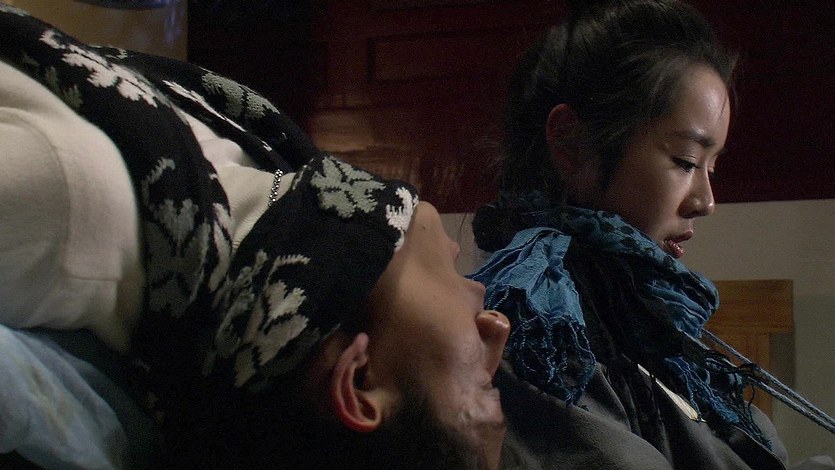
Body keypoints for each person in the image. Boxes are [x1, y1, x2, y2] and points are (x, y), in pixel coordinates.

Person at [0, 4, 508, 469]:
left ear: (359, 379)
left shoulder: (69, 208)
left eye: (484, 384)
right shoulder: (263, 173)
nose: (497, 326)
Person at [469, 0, 807, 468]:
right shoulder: (541, 330)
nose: (706, 202)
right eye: (686, 162)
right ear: (571, 142)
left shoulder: (640, 314)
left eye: (710, 168)